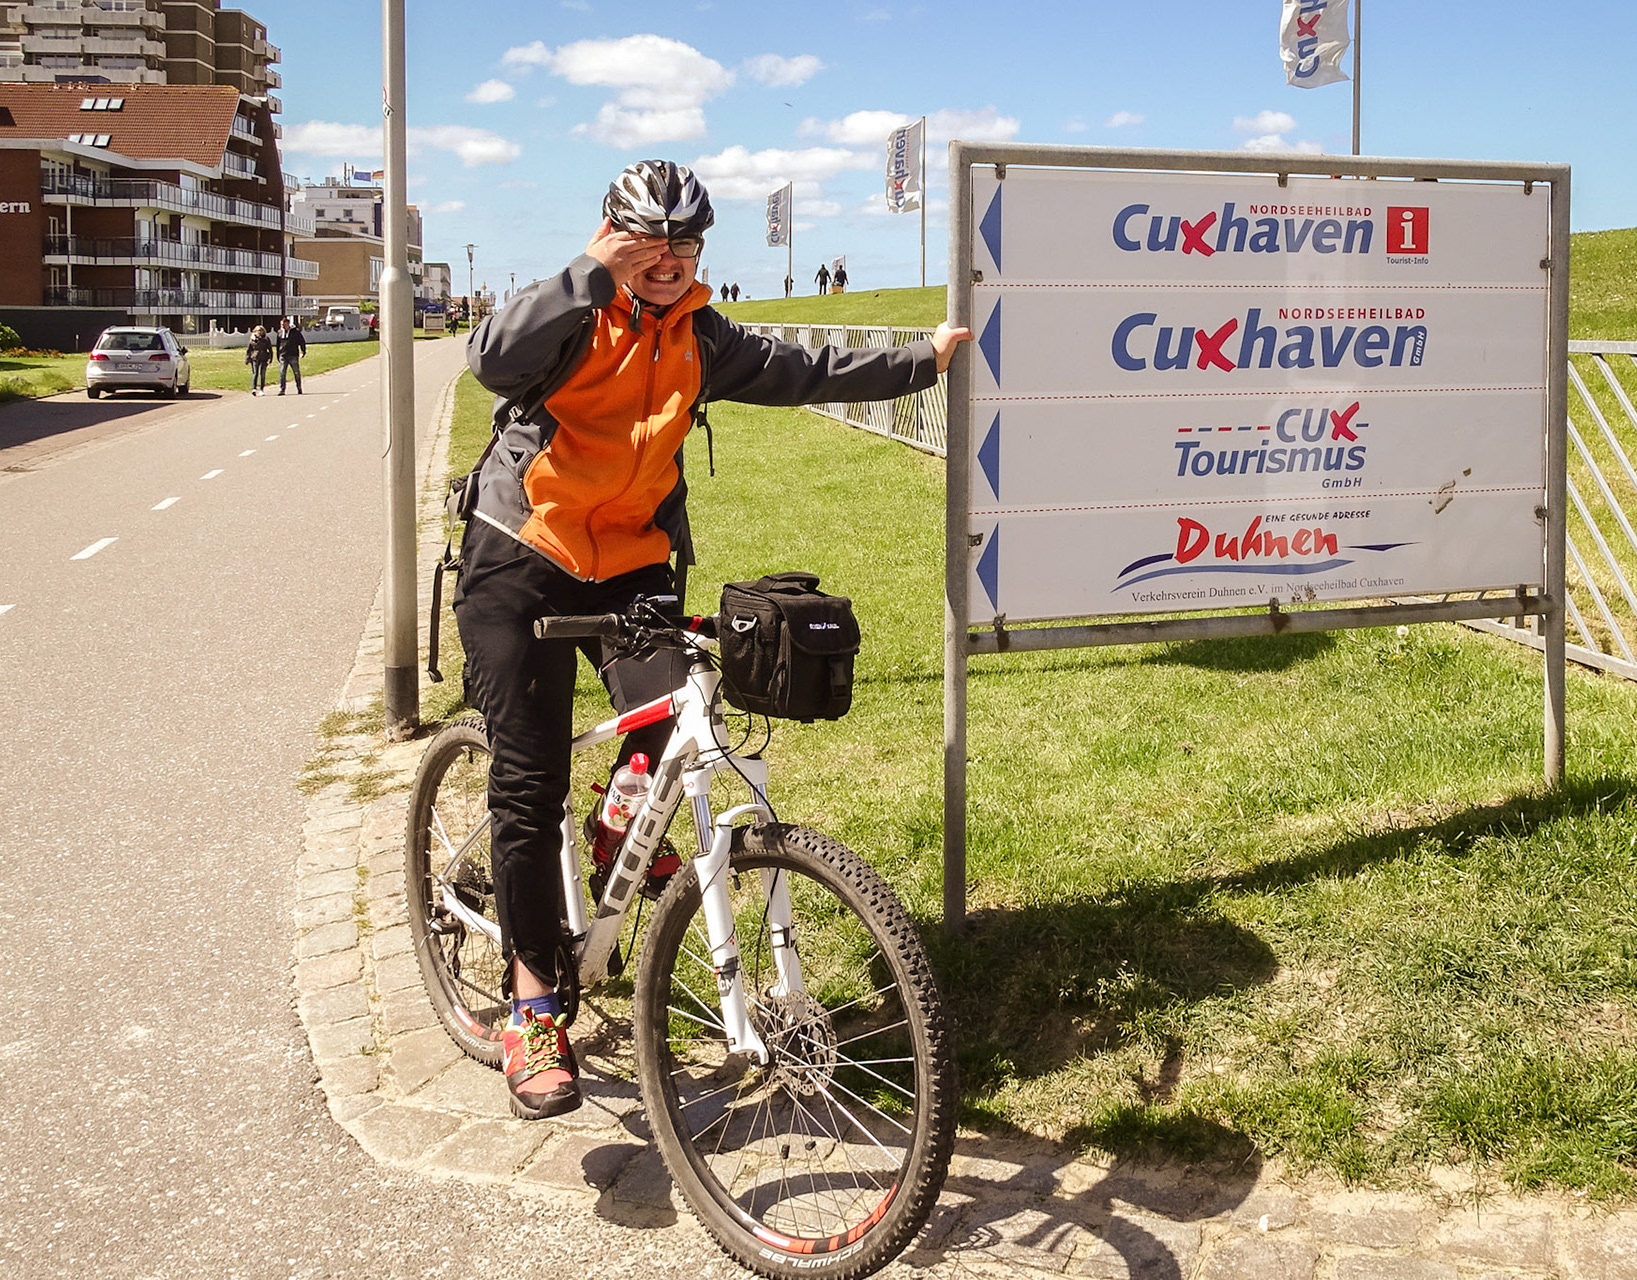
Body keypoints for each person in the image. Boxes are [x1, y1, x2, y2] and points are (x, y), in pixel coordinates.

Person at [459, 159, 970, 1121]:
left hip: (632, 562)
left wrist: (922, 360)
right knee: (528, 781)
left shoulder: (701, 335)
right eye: (647, 243)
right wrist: (591, 272)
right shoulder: (571, 309)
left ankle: (616, 840)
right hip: (520, 555)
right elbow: (490, 357)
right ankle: (532, 1004)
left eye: (683, 244)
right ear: (612, 236)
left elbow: (803, 371)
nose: (666, 260)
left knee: (669, 726)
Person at [276, 316, 307, 395]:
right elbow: (278, 344)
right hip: (283, 355)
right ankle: (282, 389)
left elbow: (302, 341)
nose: (283, 326)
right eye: (282, 325)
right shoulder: (280, 332)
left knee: (296, 372)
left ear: (288, 324)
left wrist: (303, 351)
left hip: (293, 355)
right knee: (282, 373)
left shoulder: (295, 332)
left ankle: (299, 387)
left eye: (284, 324)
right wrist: (278, 355)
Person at [244, 324, 273, 396]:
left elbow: (270, 349)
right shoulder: (252, 339)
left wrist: (270, 358)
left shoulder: (266, 339)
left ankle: (261, 389)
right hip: (255, 357)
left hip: (264, 357)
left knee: (262, 374)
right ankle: (254, 388)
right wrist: (247, 359)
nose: (259, 332)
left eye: (261, 330)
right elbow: (249, 349)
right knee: (255, 373)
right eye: (258, 330)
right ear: (255, 331)